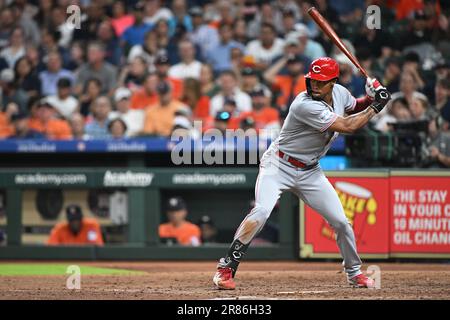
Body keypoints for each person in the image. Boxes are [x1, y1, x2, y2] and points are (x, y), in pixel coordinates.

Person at [212, 57, 392, 290]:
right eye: (312, 81)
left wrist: (369, 98)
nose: (315, 86)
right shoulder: (304, 104)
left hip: (310, 171)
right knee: (262, 210)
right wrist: (377, 106)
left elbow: (352, 107)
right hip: (279, 165)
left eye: (321, 82)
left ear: (333, 82)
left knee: (341, 222)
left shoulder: (339, 92)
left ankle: (354, 273)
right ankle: (225, 269)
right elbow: (349, 126)